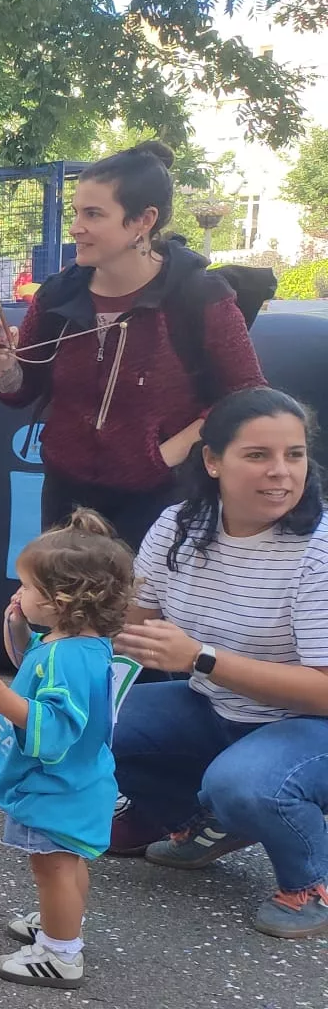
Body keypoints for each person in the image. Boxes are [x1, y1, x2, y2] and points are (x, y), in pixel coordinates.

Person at [108, 387, 328, 938]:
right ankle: (196, 824)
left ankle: (311, 883)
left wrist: (201, 659)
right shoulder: (178, 525)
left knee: (247, 785)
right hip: (217, 706)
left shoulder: (320, 547)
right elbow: (128, 630)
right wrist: (46, 620)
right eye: (258, 455)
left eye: (294, 455)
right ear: (212, 460)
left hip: (310, 724)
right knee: (86, 717)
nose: (281, 472)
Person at [0, 141, 264, 543]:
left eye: (93, 214)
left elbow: (247, 396)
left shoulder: (199, 295)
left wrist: (165, 457)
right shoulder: (59, 293)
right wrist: (4, 362)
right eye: (76, 212)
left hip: (162, 501)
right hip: (67, 497)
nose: (76, 227)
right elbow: (20, 391)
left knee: (140, 607)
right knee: (64, 604)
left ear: (143, 220)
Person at [0, 510, 134, 987]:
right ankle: (62, 922)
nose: (19, 594)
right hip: (78, 780)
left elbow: (55, 728)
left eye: (29, 589)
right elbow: (33, 660)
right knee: (68, 861)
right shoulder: (78, 643)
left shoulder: (68, 657)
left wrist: (0, 697)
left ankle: (60, 953)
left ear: (63, 599)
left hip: (56, 785)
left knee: (52, 864)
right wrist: (18, 621)